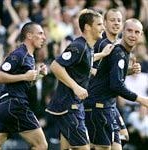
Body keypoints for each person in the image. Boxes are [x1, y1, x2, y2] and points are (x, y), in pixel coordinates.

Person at [45, 9, 113, 150]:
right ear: (87, 27)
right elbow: (55, 66)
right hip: (70, 106)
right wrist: (76, 87)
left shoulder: (87, 47)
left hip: (73, 106)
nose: (103, 28)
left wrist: (102, 54)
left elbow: (84, 61)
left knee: (66, 148)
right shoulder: (78, 46)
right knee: (83, 148)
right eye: (99, 24)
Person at [84, 18, 148, 150]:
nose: (132, 35)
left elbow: (109, 76)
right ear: (122, 32)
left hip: (108, 106)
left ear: (141, 36)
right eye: (129, 31)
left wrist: (128, 71)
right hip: (99, 106)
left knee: (123, 138)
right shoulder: (119, 53)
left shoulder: (123, 53)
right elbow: (116, 85)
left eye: (137, 32)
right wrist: (141, 99)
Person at [0, 22, 48, 149]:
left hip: (5, 106)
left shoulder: (30, 57)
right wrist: (24, 76)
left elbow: (25, 84)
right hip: (15, 104)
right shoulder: (19, 54)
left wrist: (39, 75)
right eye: (40, 33)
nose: (44, 37)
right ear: (29, 35)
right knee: (41, 145)